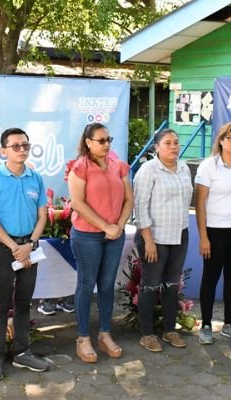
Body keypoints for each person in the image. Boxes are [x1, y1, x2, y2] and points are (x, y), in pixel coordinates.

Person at [0, 127, 50, 380]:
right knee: (1, 304)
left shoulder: (36, 177)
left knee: (24, 301)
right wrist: (14, 248)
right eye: (16, 146)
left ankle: (22, 352)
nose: (22, 150)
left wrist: (30, 245)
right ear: (3, 151)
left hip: (30, 247)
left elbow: (42, 215)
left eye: (25, 145)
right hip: (5, 248)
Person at [67, 123, 133, 363]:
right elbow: (78, 204)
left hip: (114, 236)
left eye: (109, 139)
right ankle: (83, 338)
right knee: (86, 285)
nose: (107, 144)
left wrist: (119, 226)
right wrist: (106, 227)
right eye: (101, 140)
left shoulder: (118, 166)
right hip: (87, 236)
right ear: (88, 142)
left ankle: (105, 334)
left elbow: (129, 199)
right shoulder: (79, 168)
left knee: (107, 286)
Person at [133, 128, 193, 352]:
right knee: (150, 285)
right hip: (154, 238)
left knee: (171, 284)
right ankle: (147, 334)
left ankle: (169, 329)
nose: (174, 146)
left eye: (176, 142)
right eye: (168, 143)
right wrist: (148, 240)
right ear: (157, 147)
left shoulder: (184, 168)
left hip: (179, 235)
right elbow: (140, 207)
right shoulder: (148, 170)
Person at [194, 123, 231, 344]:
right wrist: (203, 236)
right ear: (220, 140)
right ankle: (207, 325)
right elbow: (200, 204)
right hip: (215, 231)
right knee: (210, 277)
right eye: (230, 138)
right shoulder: (208, 166)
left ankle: (229, 324)